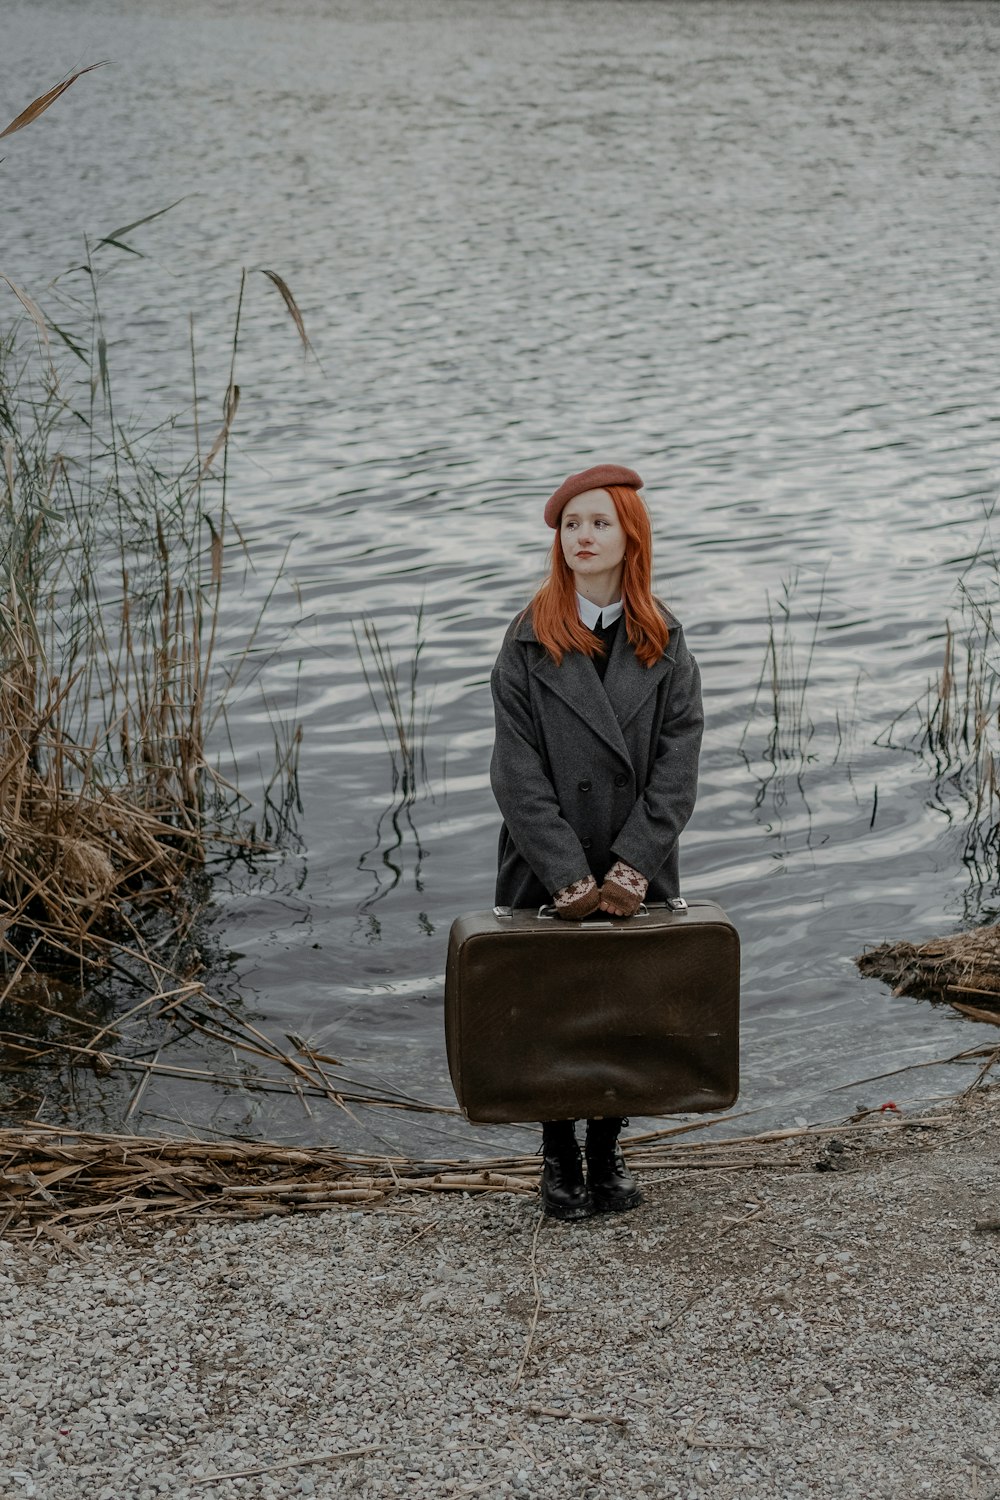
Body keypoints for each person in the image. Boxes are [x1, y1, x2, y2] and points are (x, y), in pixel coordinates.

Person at [489, 464, 704, 1221]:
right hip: (544, 859)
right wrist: (567, 877)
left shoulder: (666, 640)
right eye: (571, 524)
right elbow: (515, 773)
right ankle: (556, 1156)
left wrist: (632, 866)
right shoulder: (526, 641)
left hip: (637, 861)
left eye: (598, 523)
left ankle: (608, 1149)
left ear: (630, 536)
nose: (582, 536)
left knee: (625, 1005)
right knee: (551, 1007)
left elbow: (679, 762)